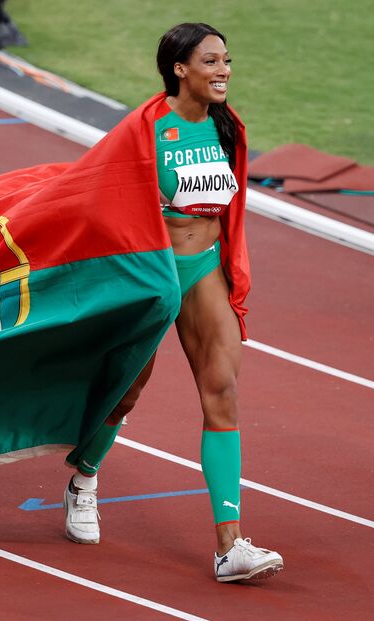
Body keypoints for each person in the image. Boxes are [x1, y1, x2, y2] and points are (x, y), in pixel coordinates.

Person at [61, 23, 284, 582]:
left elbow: (228, 207)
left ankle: (229, 547)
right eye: (211, 61)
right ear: (180, 69)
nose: (224, 71)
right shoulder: (145, 127)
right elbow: (94, 191)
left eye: (227, 60)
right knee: (127, 391)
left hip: (203, 270)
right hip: (151, 272)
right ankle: (84, 478)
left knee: (223, 390)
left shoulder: (227, 126)